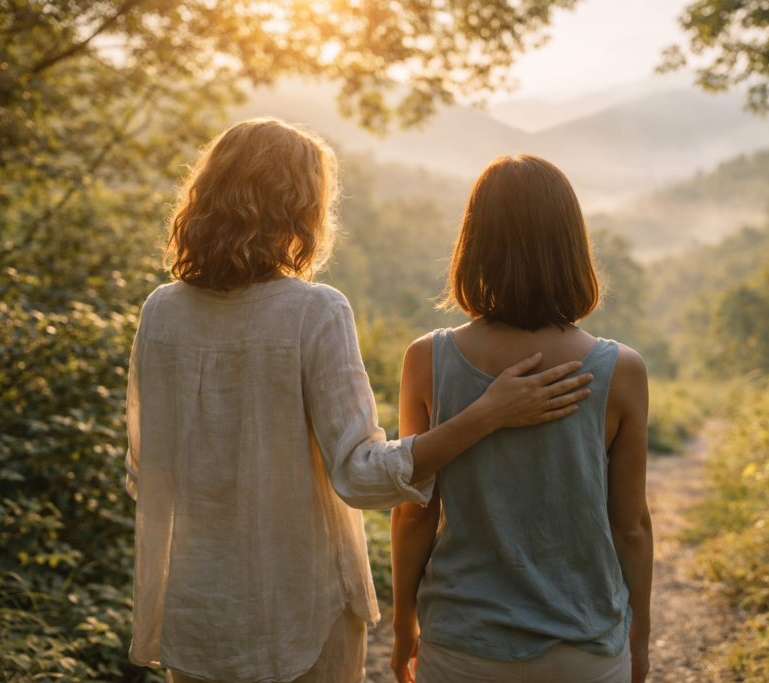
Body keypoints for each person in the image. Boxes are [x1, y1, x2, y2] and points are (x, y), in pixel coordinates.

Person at [123, 119, 595, 683]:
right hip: (297, 607)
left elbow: (146, 470)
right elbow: (361, 475)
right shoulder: (314, 310)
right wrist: (487, 413)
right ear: (299, 208)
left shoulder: (161, 311)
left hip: (197, 609)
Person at [390, 154, 653, 683]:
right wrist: (638, 638)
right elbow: (630, 526)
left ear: (474, 246)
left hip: (464, 644)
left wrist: (403, 629)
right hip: (585, 644)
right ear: (572, 247)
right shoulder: (620, 369)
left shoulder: (428, 360)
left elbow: (415, 512)